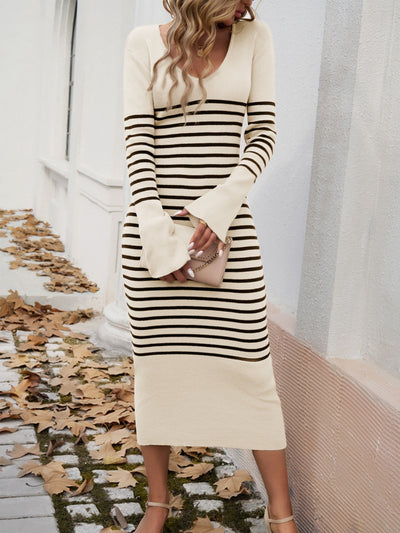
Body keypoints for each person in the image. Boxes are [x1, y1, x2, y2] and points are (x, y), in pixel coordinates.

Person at [121, 1, 298, 531]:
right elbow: (138, 143)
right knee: (158, 373)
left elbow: (262, 134)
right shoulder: (142, 43)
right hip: (153, 233)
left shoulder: (254, 38)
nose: (247, 5)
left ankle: (282, 514)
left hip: (228, 233)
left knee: (251, 368)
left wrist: (218, 209)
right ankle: (158, 504)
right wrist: (156, 235)